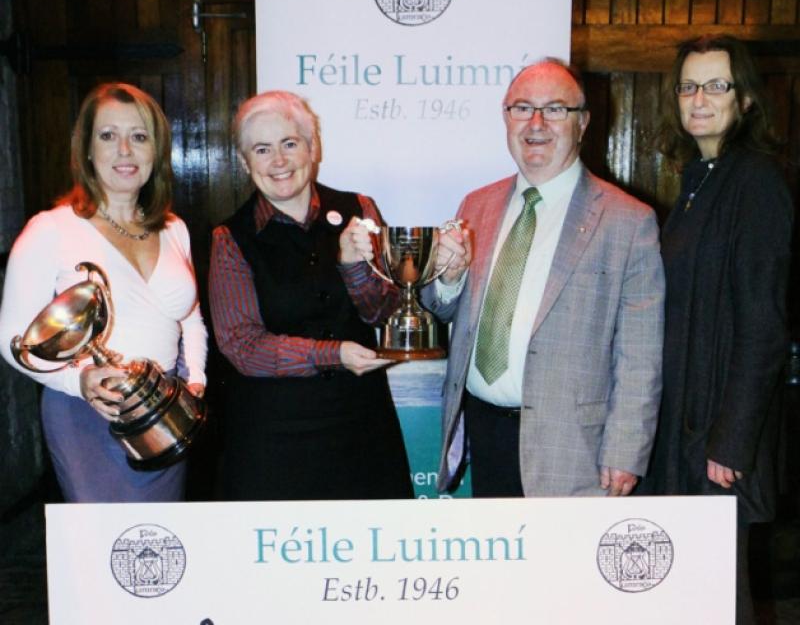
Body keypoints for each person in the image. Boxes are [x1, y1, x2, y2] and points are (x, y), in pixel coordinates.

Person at [420, 59, 665, 498]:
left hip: (572, 448)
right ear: (505, 118)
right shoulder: (477, 204)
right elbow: (440, 305)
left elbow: (641, 353)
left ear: (582, 123)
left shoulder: (629, 220)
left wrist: (626, 451)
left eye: (555, 109)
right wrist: (448, 279)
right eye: (522, 108)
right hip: (484, 428)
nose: (536, 123)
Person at [640, 35, 793, 624]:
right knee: (683, 596)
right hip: (684, 426)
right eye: (688, 85)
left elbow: (765, 325)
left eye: (716, 85)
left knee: (716, 598)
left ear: (746, 99)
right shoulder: (699, 180)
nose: (698, 98)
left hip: (717, 441)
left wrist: (732, 440)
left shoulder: (756, 182)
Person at [0, 82, 207, 502]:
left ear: (157, 151)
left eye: (139, 136)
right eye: (108, 136)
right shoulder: (50, 229)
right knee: (100, 550)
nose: (125, 151)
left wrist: (195, 382)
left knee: (162, 542)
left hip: (164, 412)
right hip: (86, 415)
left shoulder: (174, 229)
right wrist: (80, 381)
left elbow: (191, 319)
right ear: (88, 150)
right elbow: (13, 340)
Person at [208, 90, 413, 501]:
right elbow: (243, 346)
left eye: (289, 143)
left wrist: (355, 268)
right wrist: (332, 353)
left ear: (312, 147)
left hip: (362, 428)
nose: (278, 161)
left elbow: (387, 313)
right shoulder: (230, 238)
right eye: (262, 150)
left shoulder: (359, 209)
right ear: (246, 162)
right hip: (275, 439)